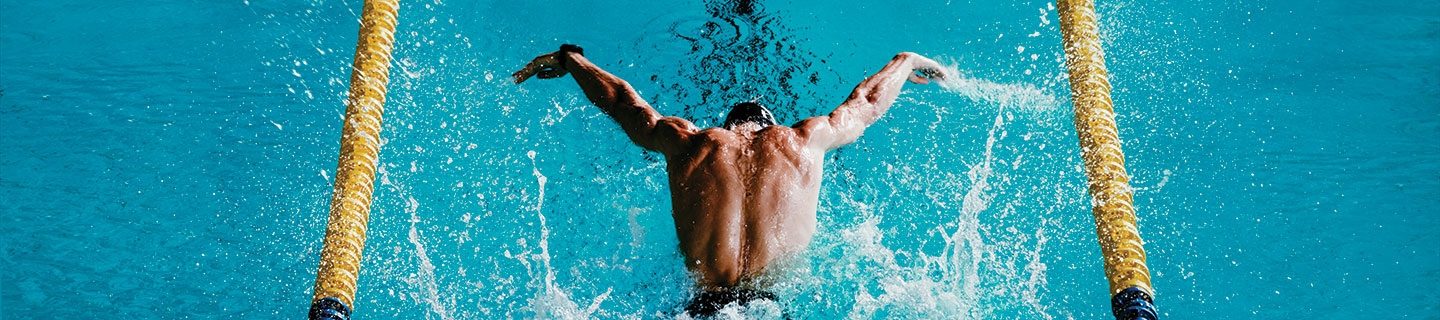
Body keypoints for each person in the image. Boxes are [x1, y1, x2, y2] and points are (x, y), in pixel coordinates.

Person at [512, 44, 947, 317]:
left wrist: (573, 59)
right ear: (769, 123)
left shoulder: (689, 142)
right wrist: (905, 61)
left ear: (729, 124)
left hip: (701, 307)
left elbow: (625, 102)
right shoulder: (805, 139)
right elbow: (866, 103)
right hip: (766, 308)